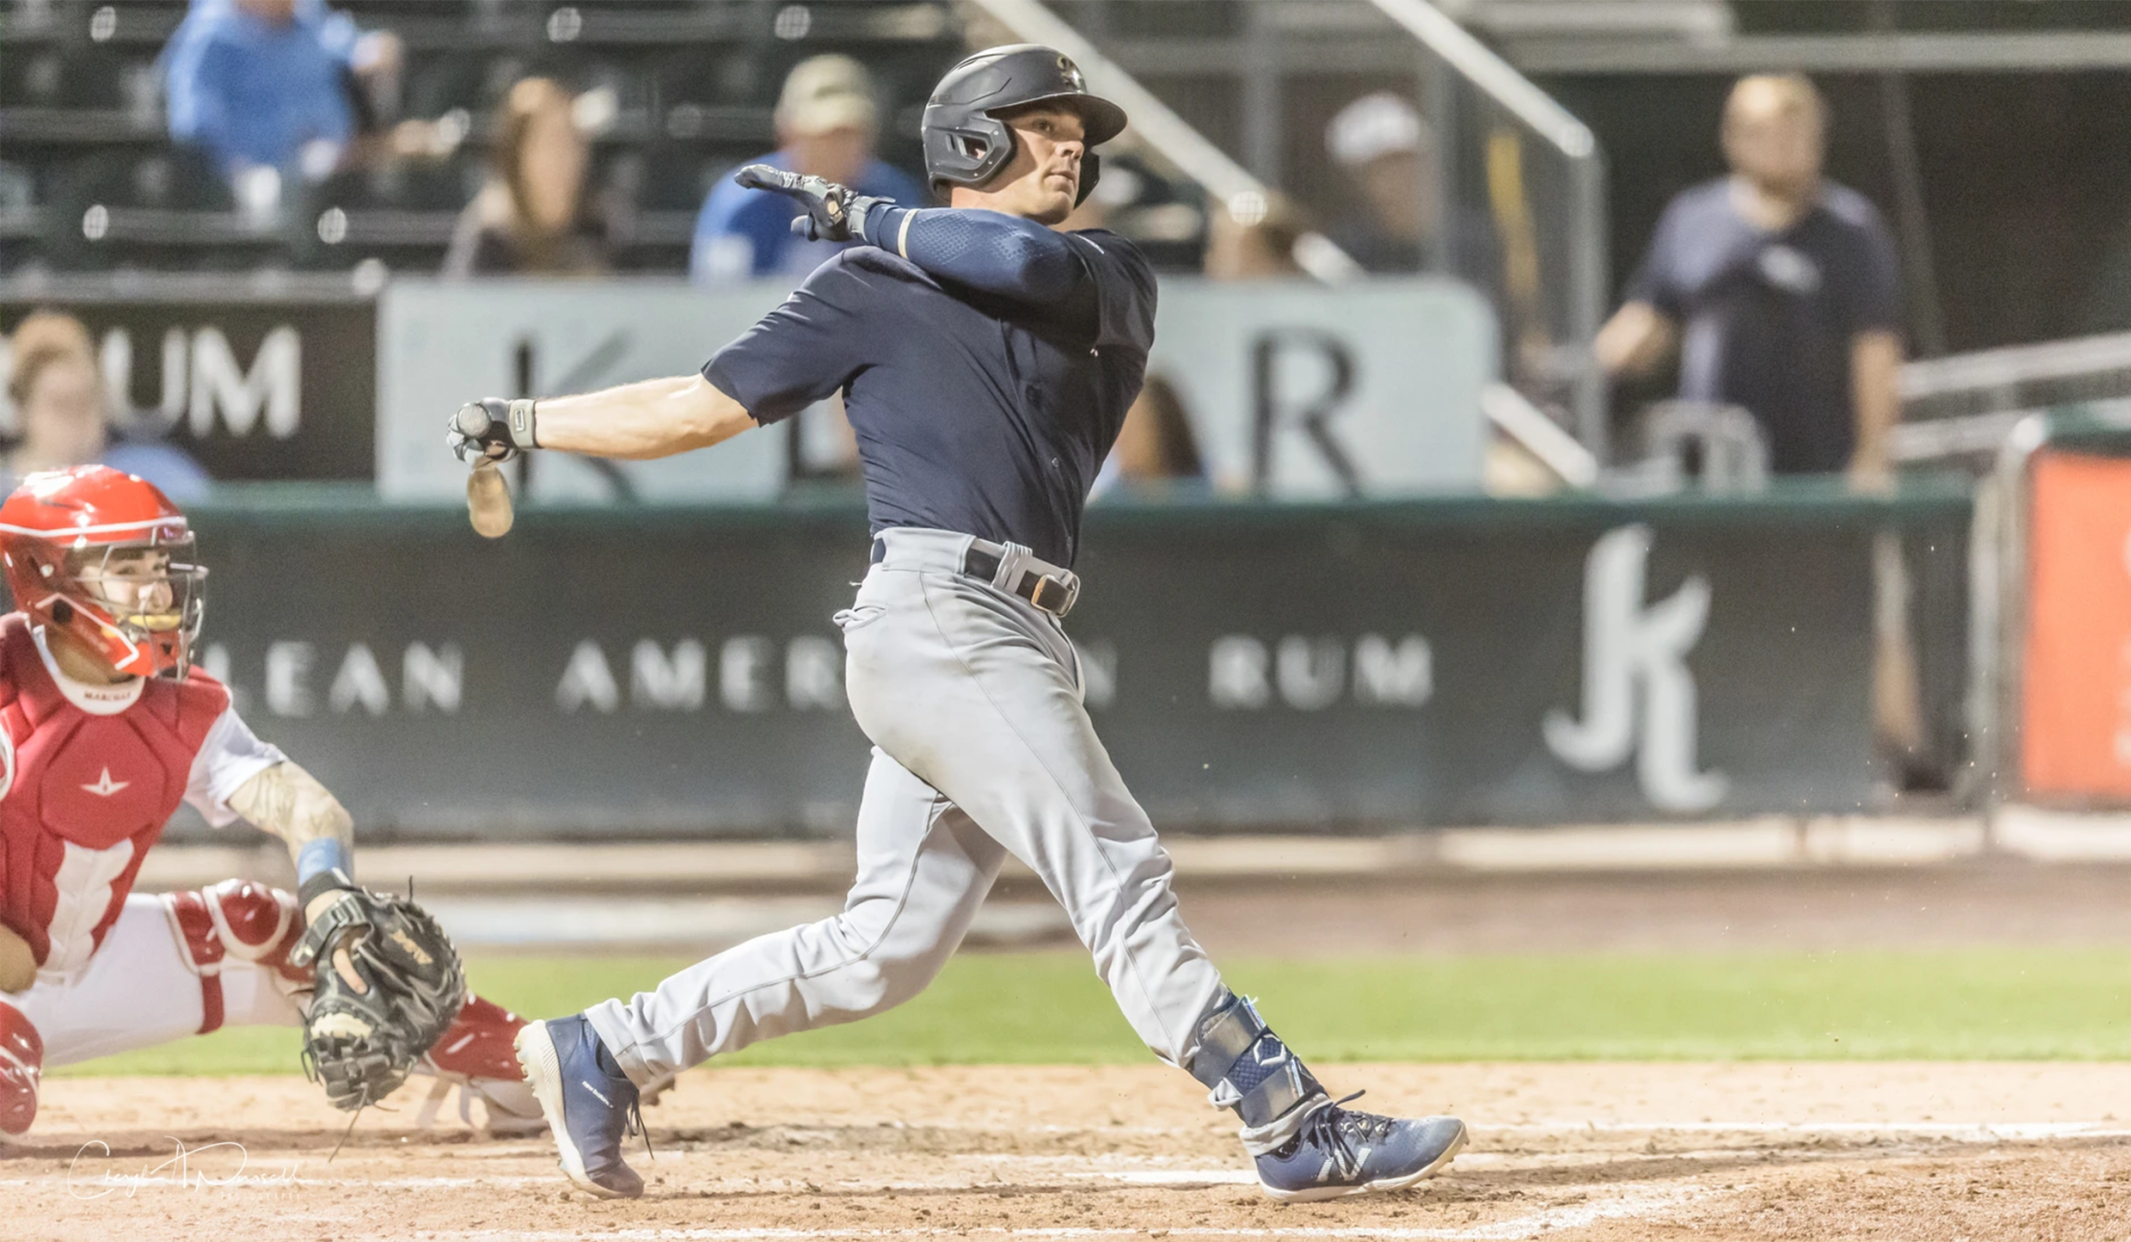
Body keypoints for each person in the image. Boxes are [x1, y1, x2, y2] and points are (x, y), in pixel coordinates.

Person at [450, 43, 1467, 1205]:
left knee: (881, 948)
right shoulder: (867, 289)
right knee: (1113, 860)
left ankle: (605, 1047)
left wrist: (865, 213)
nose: (1070, 149)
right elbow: (692, 410)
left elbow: (1012, 260)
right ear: (971, 142)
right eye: (1043, 126)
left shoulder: (1103, 272)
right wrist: (525, 419)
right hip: (939, 616)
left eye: (1076, 133)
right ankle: (1284, 1116)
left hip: (1011, 630)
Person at [0, 465, 541, 1137]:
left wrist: (329, 896)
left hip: (72, 969)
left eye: (159, 567)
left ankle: (537, 1063)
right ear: (47, 577)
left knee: (271, 929)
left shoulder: (179, 706)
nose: (158, 590)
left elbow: (305, 806)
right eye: (127, 568)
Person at [1597, 73, 1903, 483]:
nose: (1780, 147)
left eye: (1793, 134)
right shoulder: (1692, 219)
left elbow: (1875, 348)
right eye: (1764, 134)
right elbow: (1653, 319)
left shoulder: (1851, 231)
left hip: (1816, 474)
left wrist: (1872, 458)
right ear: (1732, 138)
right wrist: (1593, 364)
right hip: (1712, 469)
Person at [689, 55, 926, 284]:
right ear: (788, 134)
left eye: (850, 134)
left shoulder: (894, 200)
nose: (839, 149)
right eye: (825, 135)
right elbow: (721, 298)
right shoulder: (743, 203)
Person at [162, 0, 406, 184]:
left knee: (412, 148)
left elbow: (348, 46)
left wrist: (373, 49)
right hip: (255, 182)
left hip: (336, 166)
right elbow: (193, 121)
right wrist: (242, 169)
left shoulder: (307, 13)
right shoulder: (211, 34)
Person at [4, 312, 211, 502]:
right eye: (61, 405)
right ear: (22, 411)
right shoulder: (5, 491)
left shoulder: (153, 474)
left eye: (85, 403)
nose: (75, 420)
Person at [1323, 91, 1499, 289]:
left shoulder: (1477, 242)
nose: (1405, 177)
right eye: (1386, 169)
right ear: (1356, 186)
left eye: (1413, 161)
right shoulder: (1343, 255)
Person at [444, 78, 611, 278]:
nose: (563, 158)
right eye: (550, 143)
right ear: (518, 154)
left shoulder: (602, 225)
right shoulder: (490, 234)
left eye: (572, 141)